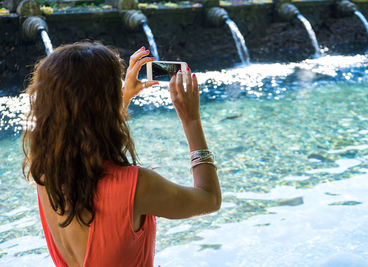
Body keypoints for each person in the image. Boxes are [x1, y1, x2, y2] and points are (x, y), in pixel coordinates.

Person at [22, 42, 221, 267]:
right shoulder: (135, 186)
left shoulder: (46, 172)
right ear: (105, 103)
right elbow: (209, 199)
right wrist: (191, 120)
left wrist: (124, 98)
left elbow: (84, 135)